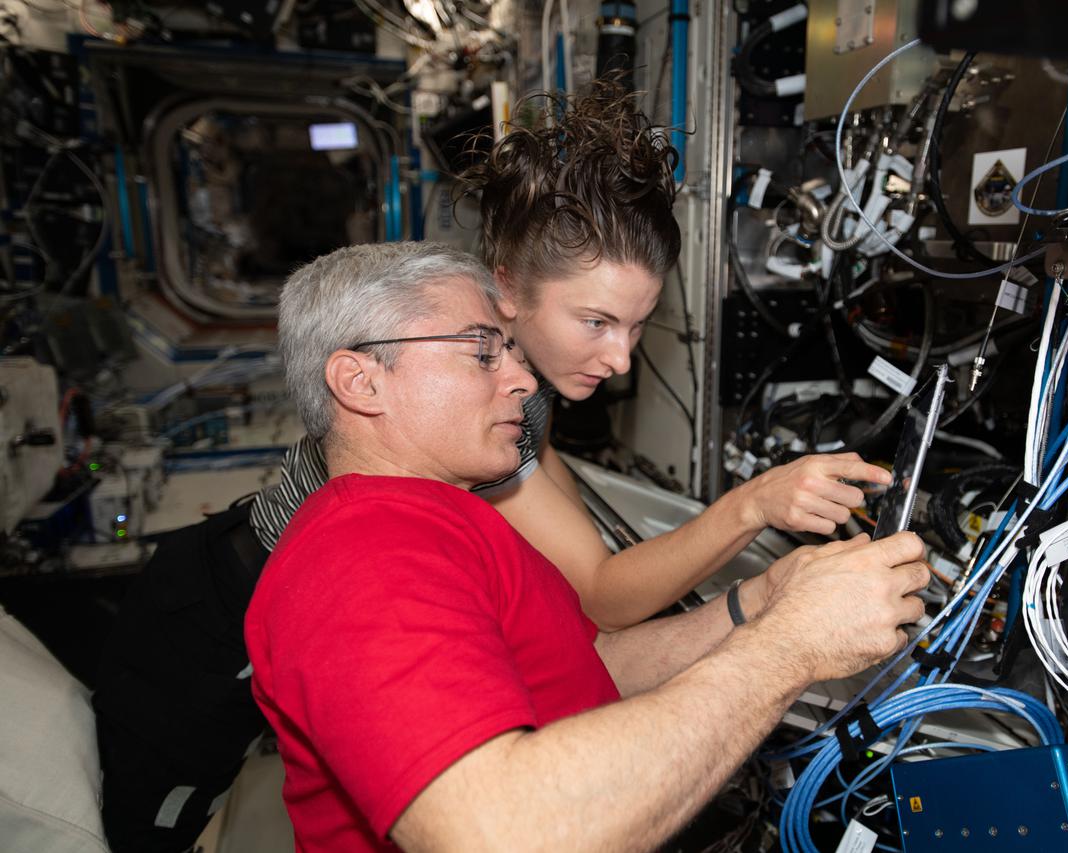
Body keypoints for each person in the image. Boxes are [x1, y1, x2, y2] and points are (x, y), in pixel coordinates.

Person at [91, 82, 887, 852]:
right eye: (593, 321)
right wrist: (782, 624)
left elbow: (588, 642)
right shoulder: (364, 550)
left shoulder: (484, 443)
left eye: (638, 324)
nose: (618, 357)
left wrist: (763, 603)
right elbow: (506, 814)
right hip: (210, 614)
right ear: (505, 294)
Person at [246, 240, 929, 852]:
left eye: (510, 349)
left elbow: (590, 664)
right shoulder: (362, 554)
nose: (517, 377)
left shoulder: (448, 518)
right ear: (361, 381)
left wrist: (759, 602)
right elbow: (498, 831)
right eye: (483, 351)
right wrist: (792, 645)